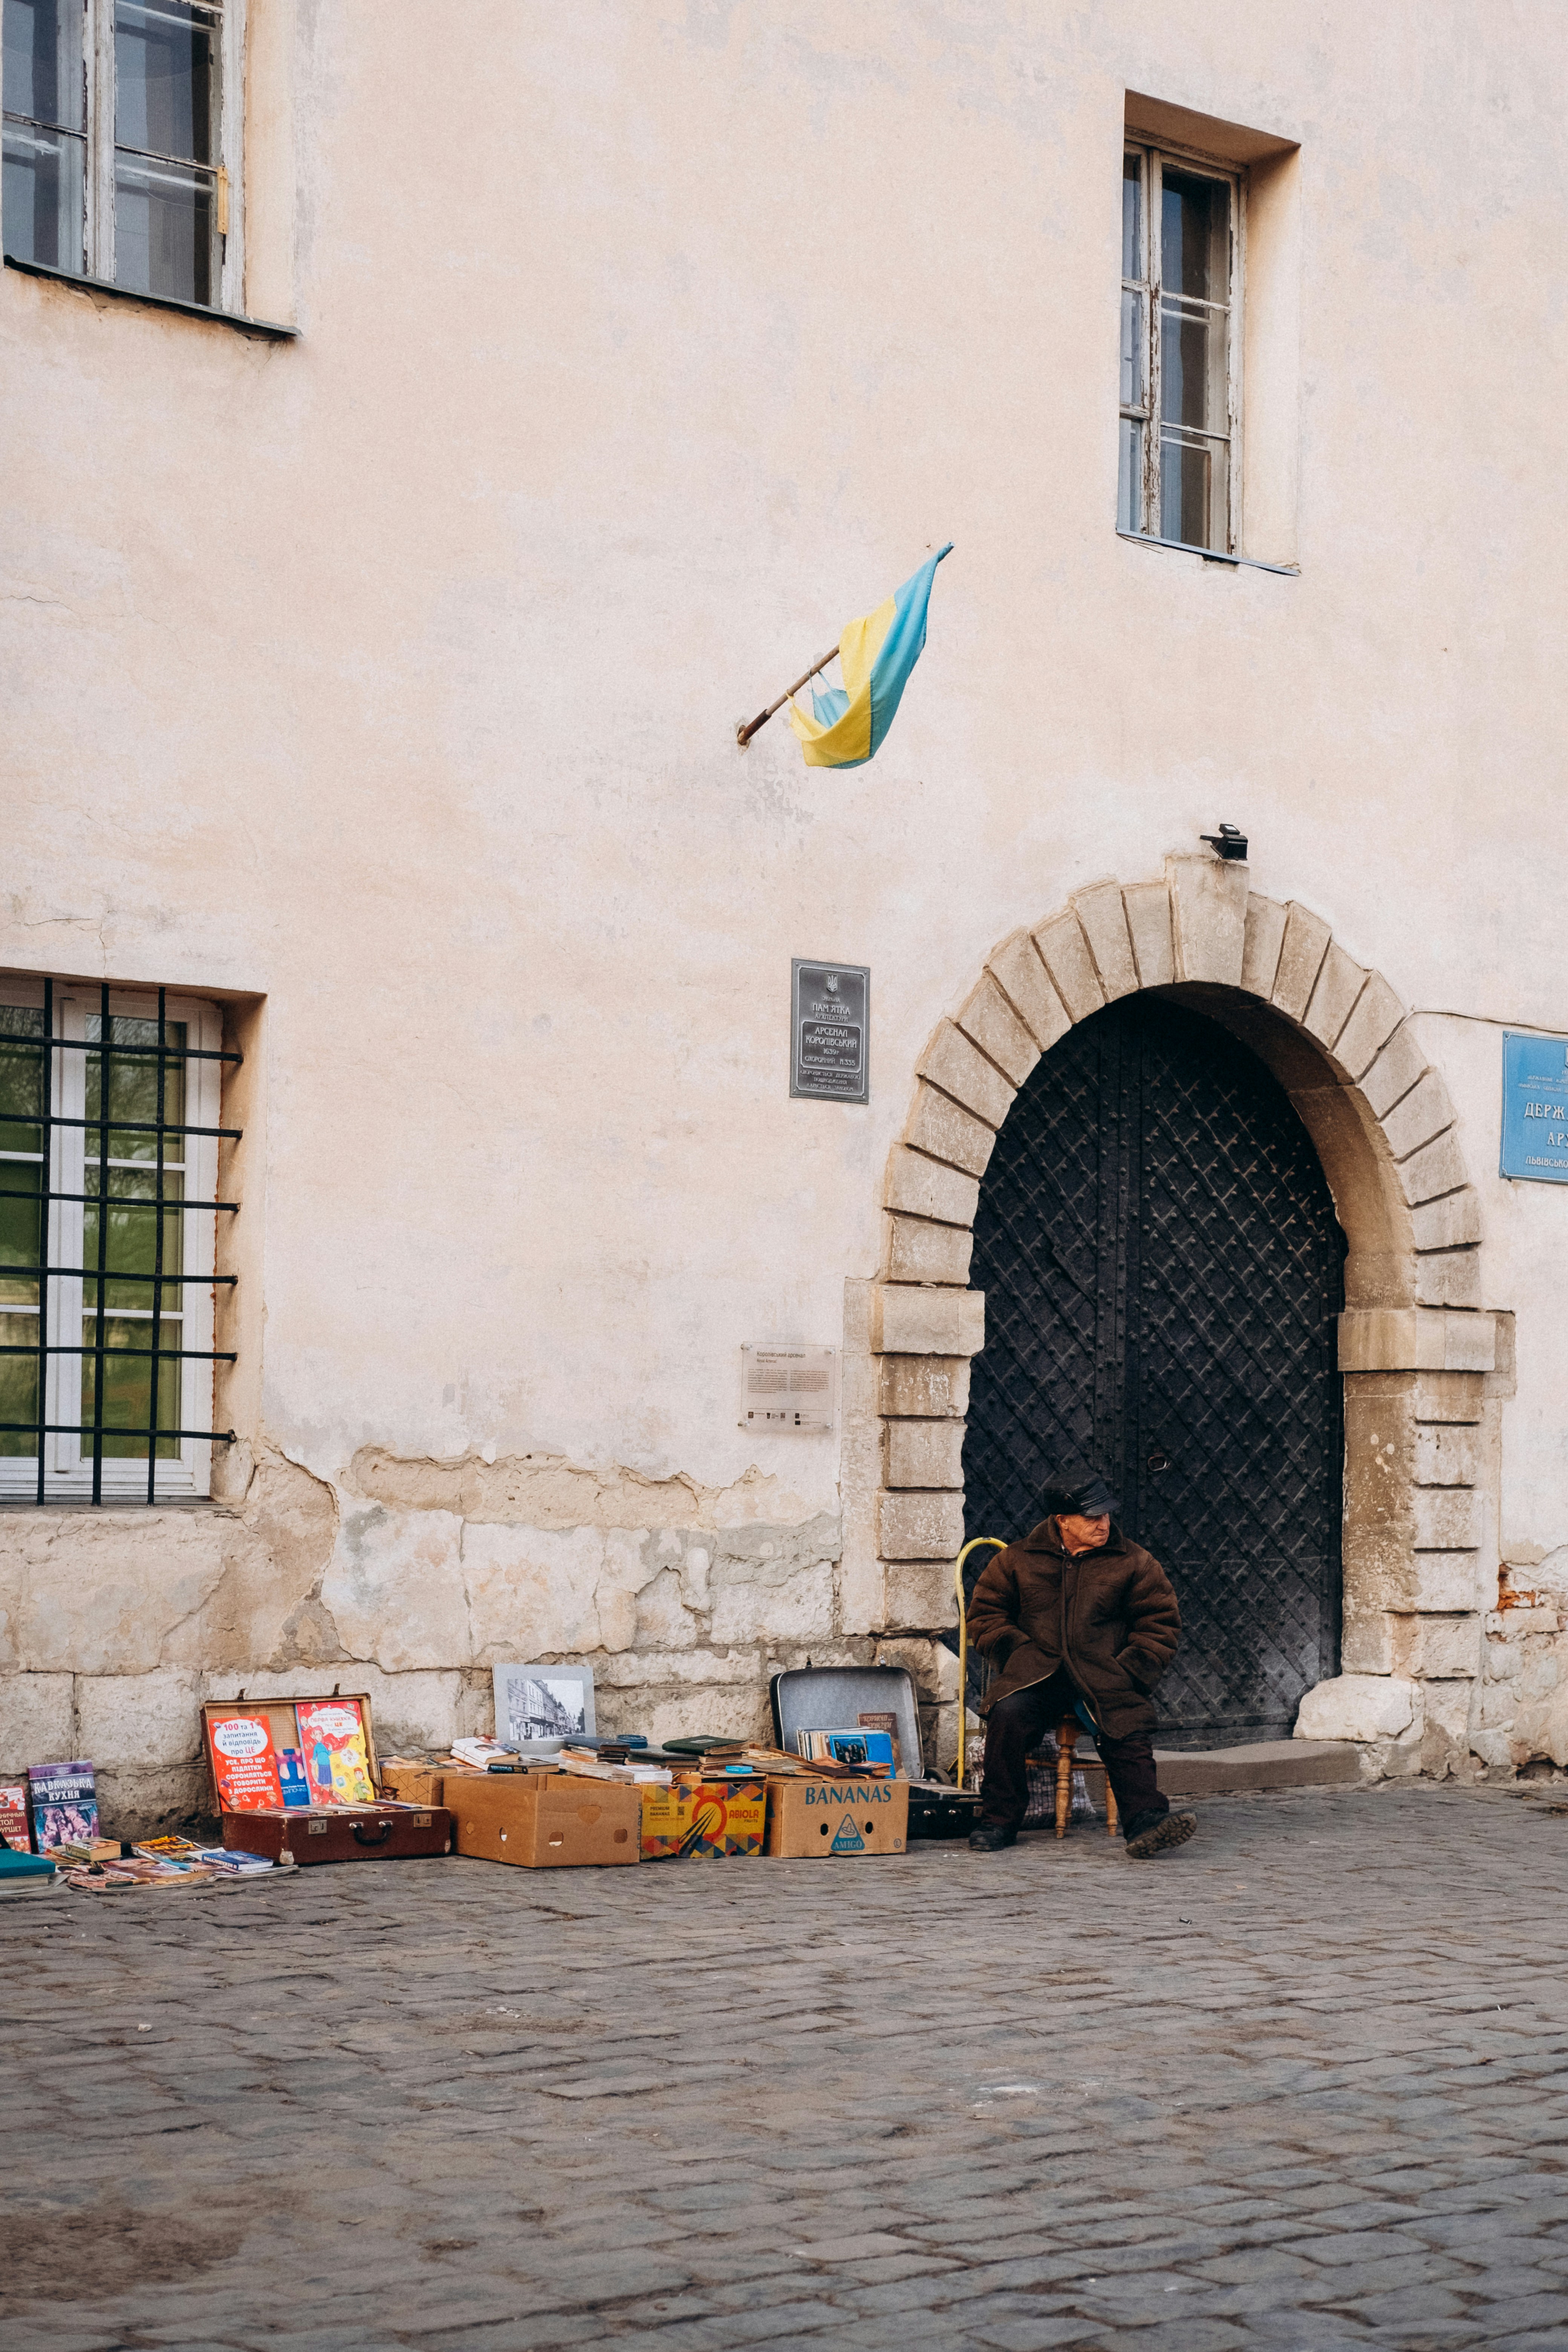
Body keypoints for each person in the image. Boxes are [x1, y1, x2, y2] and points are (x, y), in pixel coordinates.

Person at [965, 1467, 1196, 1860]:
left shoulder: (1134, 1562)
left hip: (1102, 1673)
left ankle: (1145, 1821)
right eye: (1092, 1518)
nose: (1103, 1524)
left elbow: (1160, 1624)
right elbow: (984, 1618)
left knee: (1126, 1728)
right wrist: (1019, 1653)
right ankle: (998, 1821)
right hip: (1035, 1674)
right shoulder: (1017, 1560)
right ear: (1062, 1521)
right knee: (1006, 1717)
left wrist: (1128, 1671)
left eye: (1106, 1515)